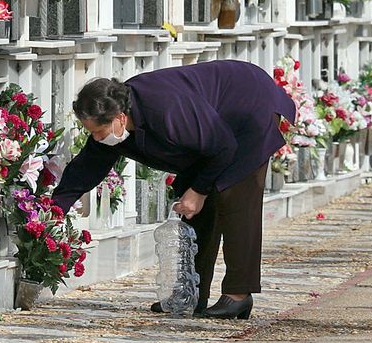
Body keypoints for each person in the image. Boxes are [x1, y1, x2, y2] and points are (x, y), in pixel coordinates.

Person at [50, 61, 296, 320]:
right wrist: (54, 211)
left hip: (247, 107)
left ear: (120, 117)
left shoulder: (166, 109)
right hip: (211, 133)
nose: (98, 139)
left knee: (234, 198)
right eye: (93, 134)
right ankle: (192, 294)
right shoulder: (112, 125)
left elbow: (222, 146)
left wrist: (199, 190)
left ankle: (238, 295)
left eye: (99, 132)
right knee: (194, 212)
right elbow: (84, 170)